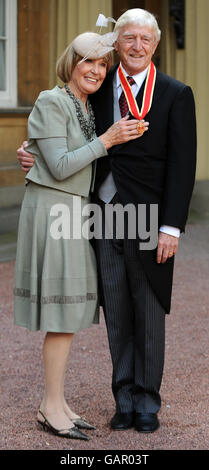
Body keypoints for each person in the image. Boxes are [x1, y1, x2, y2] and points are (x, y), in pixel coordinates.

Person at [17, 8, 197, 434]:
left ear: (155, 45)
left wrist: (172, 227)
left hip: (149, 218)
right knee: (115, 310)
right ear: (118, 43)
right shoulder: (96, 88)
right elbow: (62, 135)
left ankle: (148, 401)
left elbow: (183, 165)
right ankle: (124, 398)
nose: (136, 46)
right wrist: (32, 151)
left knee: (149, 312)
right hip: (98, 216)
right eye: (128, 38)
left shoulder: (175, 92)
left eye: (145, 39)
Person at [14, 30, 146, 440]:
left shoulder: (86, 105)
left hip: (74, 211)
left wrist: (35, 152)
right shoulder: (53, 100)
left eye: (102, 63)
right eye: (87, 61)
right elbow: (58, 165)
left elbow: (57, 155)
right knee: (60, 312)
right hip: (53, 209)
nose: (95, 69)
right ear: (70, 63)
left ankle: (55, 403)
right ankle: (51, 406)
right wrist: (106, 141)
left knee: (68, 314)